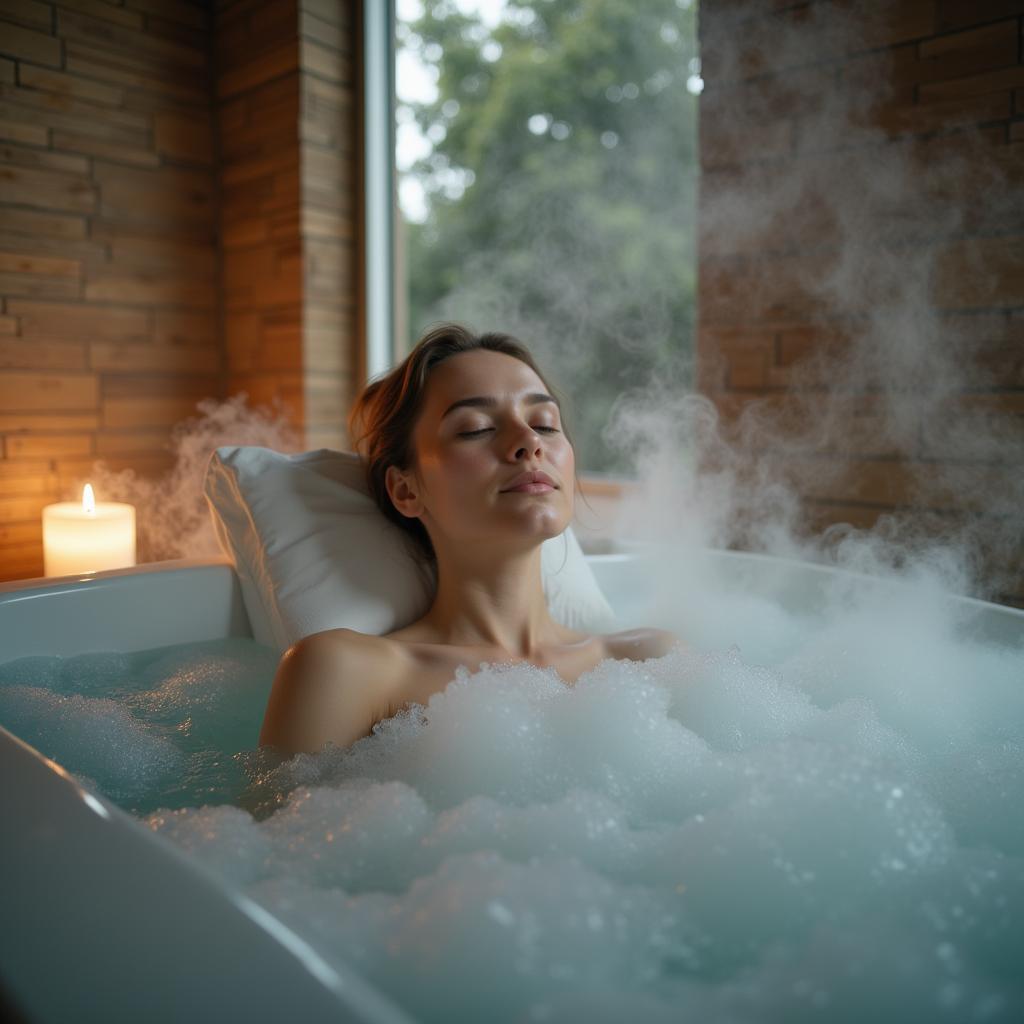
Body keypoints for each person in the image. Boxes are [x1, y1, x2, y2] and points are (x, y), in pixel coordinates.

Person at [258, 322, 679, 756]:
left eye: (545, 423)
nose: (529, 441)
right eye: (476, 428)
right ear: (406, 490)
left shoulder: (651, 663)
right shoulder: (347, 672)